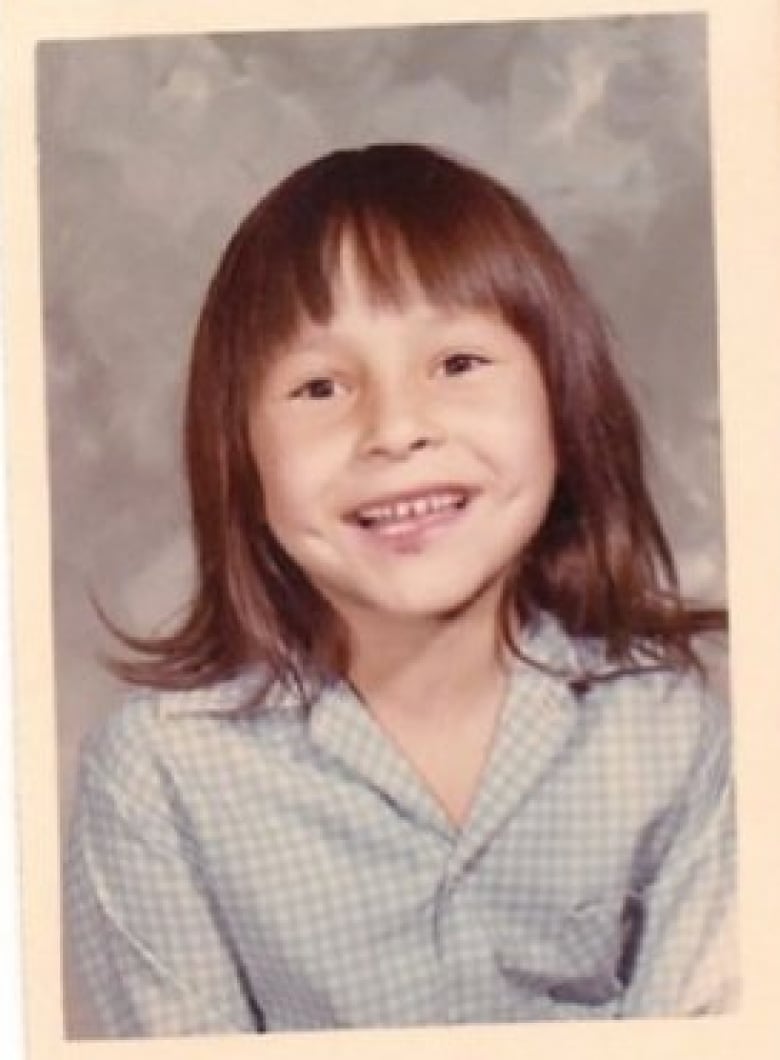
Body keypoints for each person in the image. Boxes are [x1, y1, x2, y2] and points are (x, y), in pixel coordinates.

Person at [65, 143, 736, 1036]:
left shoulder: (671, 729)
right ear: (242, 458)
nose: (394, 430)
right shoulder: (160, 774)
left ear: (561, 407)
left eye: (456, 364)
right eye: (319, 385)